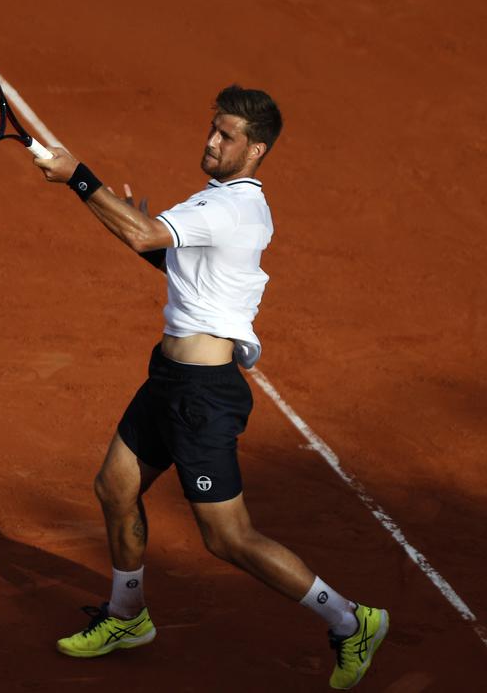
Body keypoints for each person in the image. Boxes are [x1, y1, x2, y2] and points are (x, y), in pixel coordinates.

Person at [33, 85, 388, 690]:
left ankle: (351, 620)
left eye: (227, 136)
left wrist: (78, 178)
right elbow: (177, 266)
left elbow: (144, 236)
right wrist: (122, 216)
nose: (212, 141)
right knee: (116, 487)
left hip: (203, 395)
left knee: (228, 538)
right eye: (212, 129)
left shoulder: (227, 208)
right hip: (169, 378)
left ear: (256, 151)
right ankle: (127, 615)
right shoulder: (227, 202)